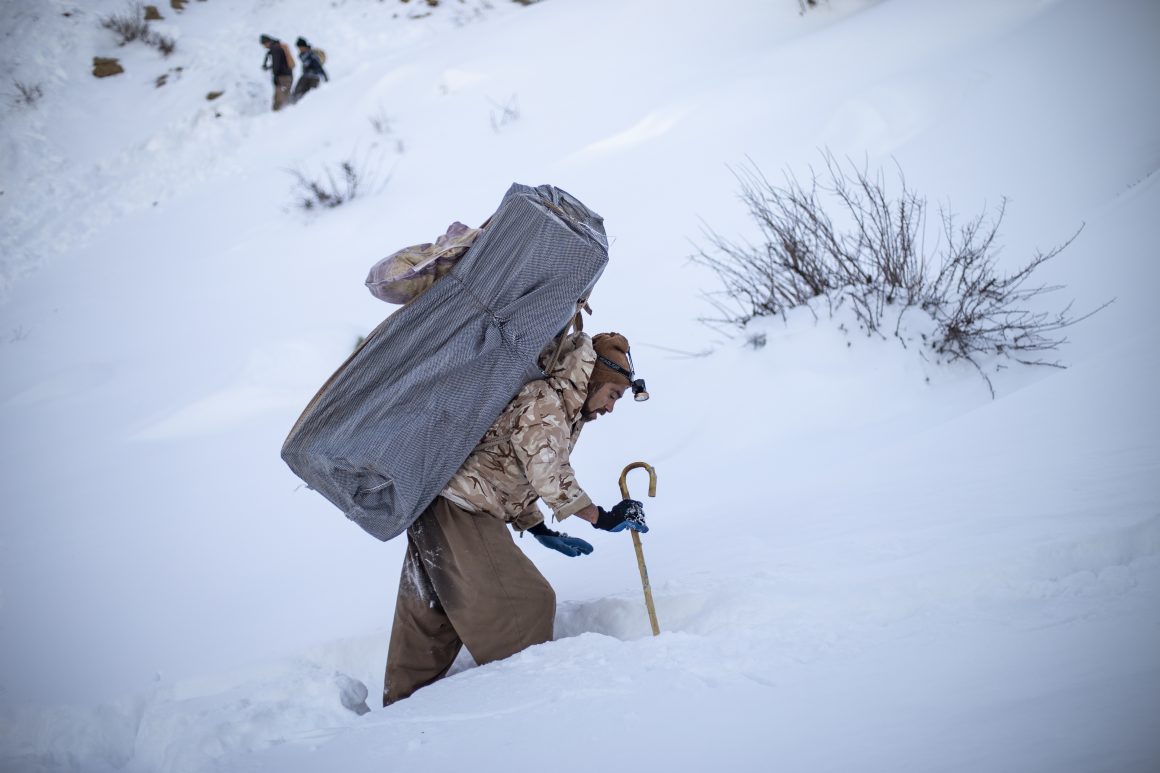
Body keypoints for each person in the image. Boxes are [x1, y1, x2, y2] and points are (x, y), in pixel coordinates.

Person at [383, 330, 650, 706]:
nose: (610, 408)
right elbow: (548, 473)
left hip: (442, 508)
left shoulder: (559, 409)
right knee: (527, 604)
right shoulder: (547, 403)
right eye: (612, 395)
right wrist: (601, 517)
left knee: (430, 619)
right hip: (462, 510)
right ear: (592, 380)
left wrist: (537, 526)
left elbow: (511, 470)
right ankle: (526, 705)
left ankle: (401, 708)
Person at [259, 34, 294, 111]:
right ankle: (289, 112)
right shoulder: (278, 47)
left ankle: (278, 115)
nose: (264, 47)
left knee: (279, 96)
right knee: (285, 94)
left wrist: (275, 75)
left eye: (264, 44)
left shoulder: (275, 49)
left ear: (266, 42)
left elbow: (276, 64)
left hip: (283, 76)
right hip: (287, 75)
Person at [292, 37, 329, 103]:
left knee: (312, 95)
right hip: (305, 77)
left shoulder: (312, 55)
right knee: (297, 93)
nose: (299, 49)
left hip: (313, 78)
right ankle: (293, 107)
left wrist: (326, 78)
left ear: (303, 46)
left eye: (300, 48)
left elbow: (319, 67)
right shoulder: (303, 56)